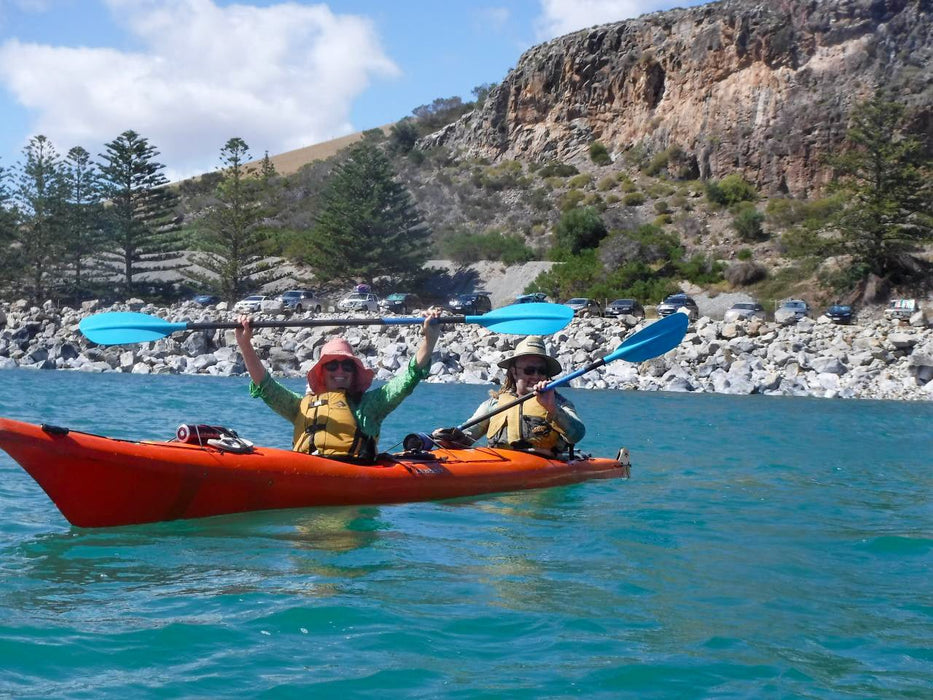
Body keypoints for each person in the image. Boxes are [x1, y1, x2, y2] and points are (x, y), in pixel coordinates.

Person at [235, 308, 442, 462]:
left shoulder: (369, 406)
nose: (340, 371)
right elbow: (265, 386)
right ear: (322, 372)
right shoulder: (299, 407)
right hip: (306, 470)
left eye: (347, 366)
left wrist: (429, 341)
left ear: (354, 373)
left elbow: (408, 378)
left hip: (353, 473)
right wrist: (245, 344)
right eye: (332, 365)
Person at [432, 335, 585, 456]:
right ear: (514, 372)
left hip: (544, 467)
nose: (537, 375)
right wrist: (447, 437)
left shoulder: (558, 403)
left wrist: (552, 408)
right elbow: (467, 436)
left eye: (542, 371)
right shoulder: (494, 404)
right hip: (501, 464)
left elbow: (577, 434)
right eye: (529, 370)